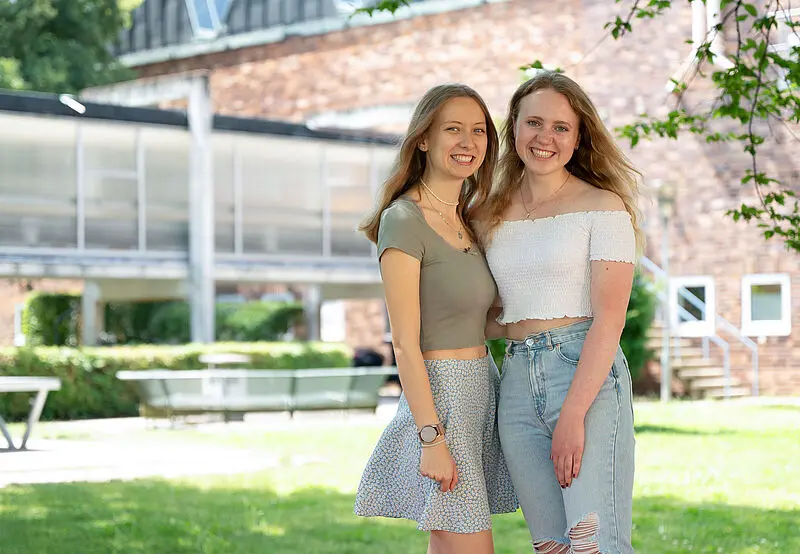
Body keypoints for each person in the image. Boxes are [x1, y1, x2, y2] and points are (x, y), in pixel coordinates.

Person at [480, 71, 642, 553]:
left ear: (577, 138)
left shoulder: (603, 207)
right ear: (513, 128)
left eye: (560, 127)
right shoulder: (489, 212)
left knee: (595, 545)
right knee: (552, 546)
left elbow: (610, 319)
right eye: (533, 122)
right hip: (514, 382)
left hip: (582, 374)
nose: (544, 138)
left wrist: (573, 414)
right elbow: (493, 312)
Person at [353, 83, 517, 554]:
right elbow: (405, 343)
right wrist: (431, 438)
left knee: (448, 545)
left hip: (480, 391)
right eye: (453, 129)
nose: (468, 142)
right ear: (423, 139)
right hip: (440, 399)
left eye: (478, 131)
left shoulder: (470, 219)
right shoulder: (404, 219)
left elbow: (473, 318)